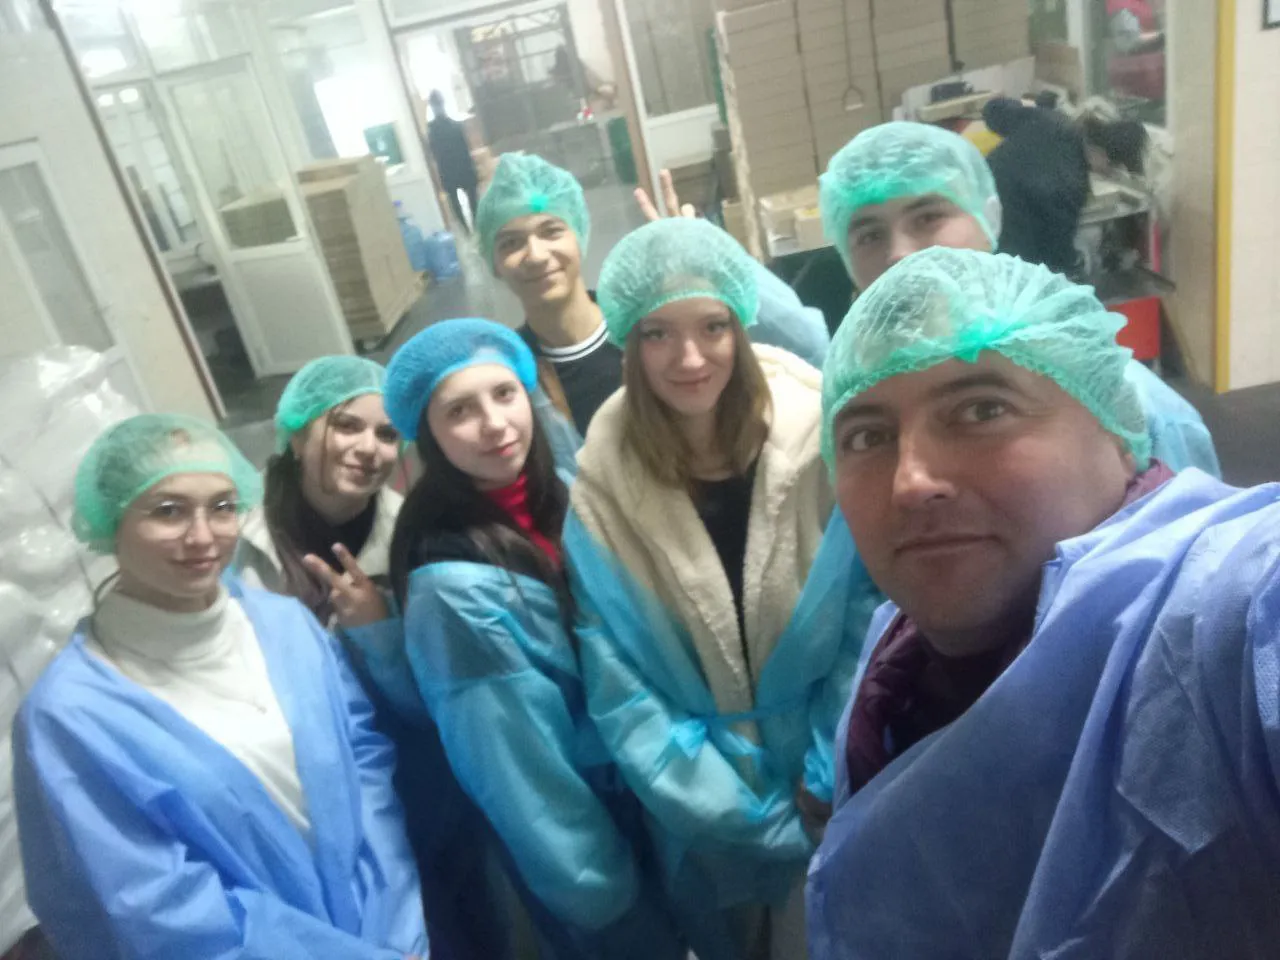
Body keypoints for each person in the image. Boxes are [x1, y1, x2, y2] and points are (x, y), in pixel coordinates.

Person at [807, 247, 1280, 958]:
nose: (911, 481)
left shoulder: (1228, 608)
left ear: (1117, 430)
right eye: (868, 436)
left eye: (981, 409)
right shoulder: (894, 661)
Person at [13, 414, 426, 960]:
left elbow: (366, 766)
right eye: (168, 511)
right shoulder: (71, 715)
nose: (203, 536)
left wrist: (396, 927)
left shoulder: (286, 625)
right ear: (111, 520)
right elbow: (153, 906)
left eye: (223, 506)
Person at [564, 218, 854, 960]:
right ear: (628, 342)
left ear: (740, 324)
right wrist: (730, 812)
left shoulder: (815, 437)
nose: (690, 358)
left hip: (835, 792)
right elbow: (620, 686)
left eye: (712, 327)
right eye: (658, 333)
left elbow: (867, 614)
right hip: (701, 813)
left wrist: (830, 767)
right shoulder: (602, 487)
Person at [364, 317, 682, 960]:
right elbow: (519, 772)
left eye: (505, 394)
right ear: (429, 433)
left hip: (644, 797)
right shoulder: (452, 591)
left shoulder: (557, 492)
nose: (495, 424)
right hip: (588, 841)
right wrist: (599, 894)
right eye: (460, 411)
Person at [234, 355, 512, 960]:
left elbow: (436, 702)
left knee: (455, 920)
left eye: (387, 434)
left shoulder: (415, 535)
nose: (369, 449)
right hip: (296, 781)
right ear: (297, 433)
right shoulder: (235, 543)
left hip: (413, 776)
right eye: (346, 425)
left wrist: (377, 634)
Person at [818, 120, 1220, 477]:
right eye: (869, 235)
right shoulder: (859, 412)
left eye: (928, 217)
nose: (899, 254)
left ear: (989, 218)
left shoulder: (1119, 401)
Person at [474, 152, 830, 434]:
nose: (536, 255)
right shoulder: (510, 373)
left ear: (579, 236)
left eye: (551, 231)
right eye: (511, 243)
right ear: (494, 263)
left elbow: (809, 345)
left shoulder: (653, 325)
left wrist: (704, 259)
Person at [426, 89, 479, 234]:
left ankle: (468, 230)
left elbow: (434, 155)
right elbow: (466, 149)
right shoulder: (454, 127)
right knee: (469, 201)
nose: (438, 107)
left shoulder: (433, 131)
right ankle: (472, 229)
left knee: (459, 203)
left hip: (450, 169)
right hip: (459, 168)